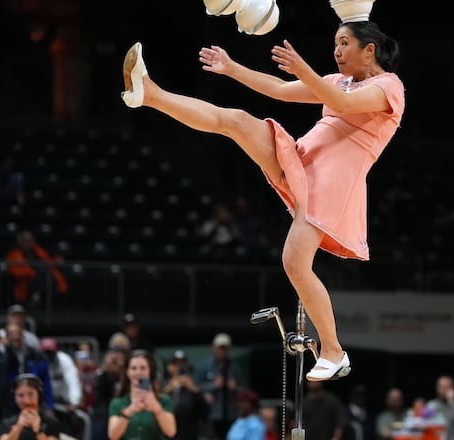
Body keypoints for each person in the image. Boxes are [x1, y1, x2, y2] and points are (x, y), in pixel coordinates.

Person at [120, 16, 404, 381]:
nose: (336, 50)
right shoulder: (340, 81)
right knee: (236, 120)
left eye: (344, 43)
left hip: (332, 186)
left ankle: (334, 350)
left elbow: (343, 104)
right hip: (303, 161)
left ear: (370, 51)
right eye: (335, 42)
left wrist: (305, 69)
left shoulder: (389, 86)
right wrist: (232, 68)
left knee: (294, 263)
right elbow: (282, 89)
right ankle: (150, 94)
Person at [107, 349, 176, 440]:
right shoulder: (117, 403)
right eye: (133, 368)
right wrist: (129, 411)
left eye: (143, 368)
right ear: (127, 372)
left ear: (150, 371)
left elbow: (171, 432)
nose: (138, 372)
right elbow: (113, 436)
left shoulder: (163, 400)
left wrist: (156, 407)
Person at [194, 332, 245, 440]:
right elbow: (195, 387)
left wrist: (235, 388)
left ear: (229, 349)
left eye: (225, 348)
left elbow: (245, 390)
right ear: (213, 348)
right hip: (210, 416)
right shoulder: (204, 367)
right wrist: (212, 386)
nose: (222, 351)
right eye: (220, 348)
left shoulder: (235, 369)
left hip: (231, 415)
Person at [5, 231, 68, 308]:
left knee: (46, 276)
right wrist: (32, 273)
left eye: (31, 240)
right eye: (26, 241)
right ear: (20, 242)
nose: (29, 243)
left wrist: (56, 260)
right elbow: (15, 272)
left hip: (45, 281)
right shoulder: (14, 254)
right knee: (43, 275)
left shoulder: (38, 251)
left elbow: (47, 262)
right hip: (26, 284)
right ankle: (36, 297)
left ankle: (37, 297)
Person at [40, 337, 83, 439]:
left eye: (51, 353)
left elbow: (72, 381)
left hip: (64, 404)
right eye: (46, 353)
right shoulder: (39, 361)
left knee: (68, 430)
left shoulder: (64, 360)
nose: (48, 356)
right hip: (44, 405)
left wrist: (74, 401)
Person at [161, 350, 209, 440]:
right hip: (169, 434)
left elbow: (204, 412)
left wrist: (194, 390)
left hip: (190, 434)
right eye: (176, 364)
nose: (179, 367)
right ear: (170, 366)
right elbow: (158, 404)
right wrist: (170, 387)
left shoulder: (194, 384)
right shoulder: (165, 384)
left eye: (182, 364)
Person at [0, 373, 61, 440]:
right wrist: (18, 427)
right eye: (20, 395)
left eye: (30, 394)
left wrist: (38, 431)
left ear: (38, 394)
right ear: (15, 397)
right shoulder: (6, 423)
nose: (26, 400)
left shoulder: (50, 422)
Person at [90, 346, 126, 440]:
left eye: (118, 359)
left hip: (122, 413)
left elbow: (122, 391)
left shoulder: (126, 376)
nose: (115, 363)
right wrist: (107, 367)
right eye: (113, 360)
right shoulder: (102, 375)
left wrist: (122, 369)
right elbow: (99, 392)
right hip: (103, 414)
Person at [425, 375, 454, 440]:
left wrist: (452, 403)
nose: (444, 390)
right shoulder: (432, 404)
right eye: (441, 387)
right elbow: (425, 425)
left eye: (447, 387)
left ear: (453, 388)